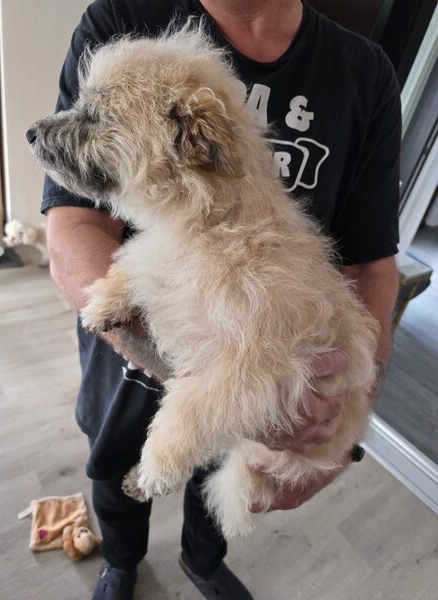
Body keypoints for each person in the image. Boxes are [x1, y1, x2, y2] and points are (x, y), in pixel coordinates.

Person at [42, 0, 401, 598]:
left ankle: (201, 563)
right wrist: (215, 375)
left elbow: (370, 262)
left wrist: (346, 422)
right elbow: (73, 225)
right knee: (114, 468)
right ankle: (121, 563)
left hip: (281, 370)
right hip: (127, 365)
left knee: (226, 483)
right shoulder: (124, 16)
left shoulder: (365, 73)